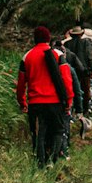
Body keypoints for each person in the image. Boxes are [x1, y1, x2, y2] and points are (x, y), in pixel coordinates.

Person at [16, 25, 72, 166]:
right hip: (55, 102)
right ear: (48, 39)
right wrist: (68, 101)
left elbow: (21, 84)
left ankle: (41, 162)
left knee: (39, 132)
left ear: (34, 39)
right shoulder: (57, 55)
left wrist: (22, 102)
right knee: (58, 130)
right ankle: (52, 160)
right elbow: (67, 80)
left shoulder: (27, 57)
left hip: (35, 103)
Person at [65, 22, 92, 121]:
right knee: (85, 91)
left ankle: (73, 110)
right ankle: (85, 112)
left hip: (71, 70)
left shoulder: (67, 44)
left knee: (73, 90)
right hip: (84, 71)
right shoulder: (86, 42)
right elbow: (89, 56)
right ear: (81, 34)